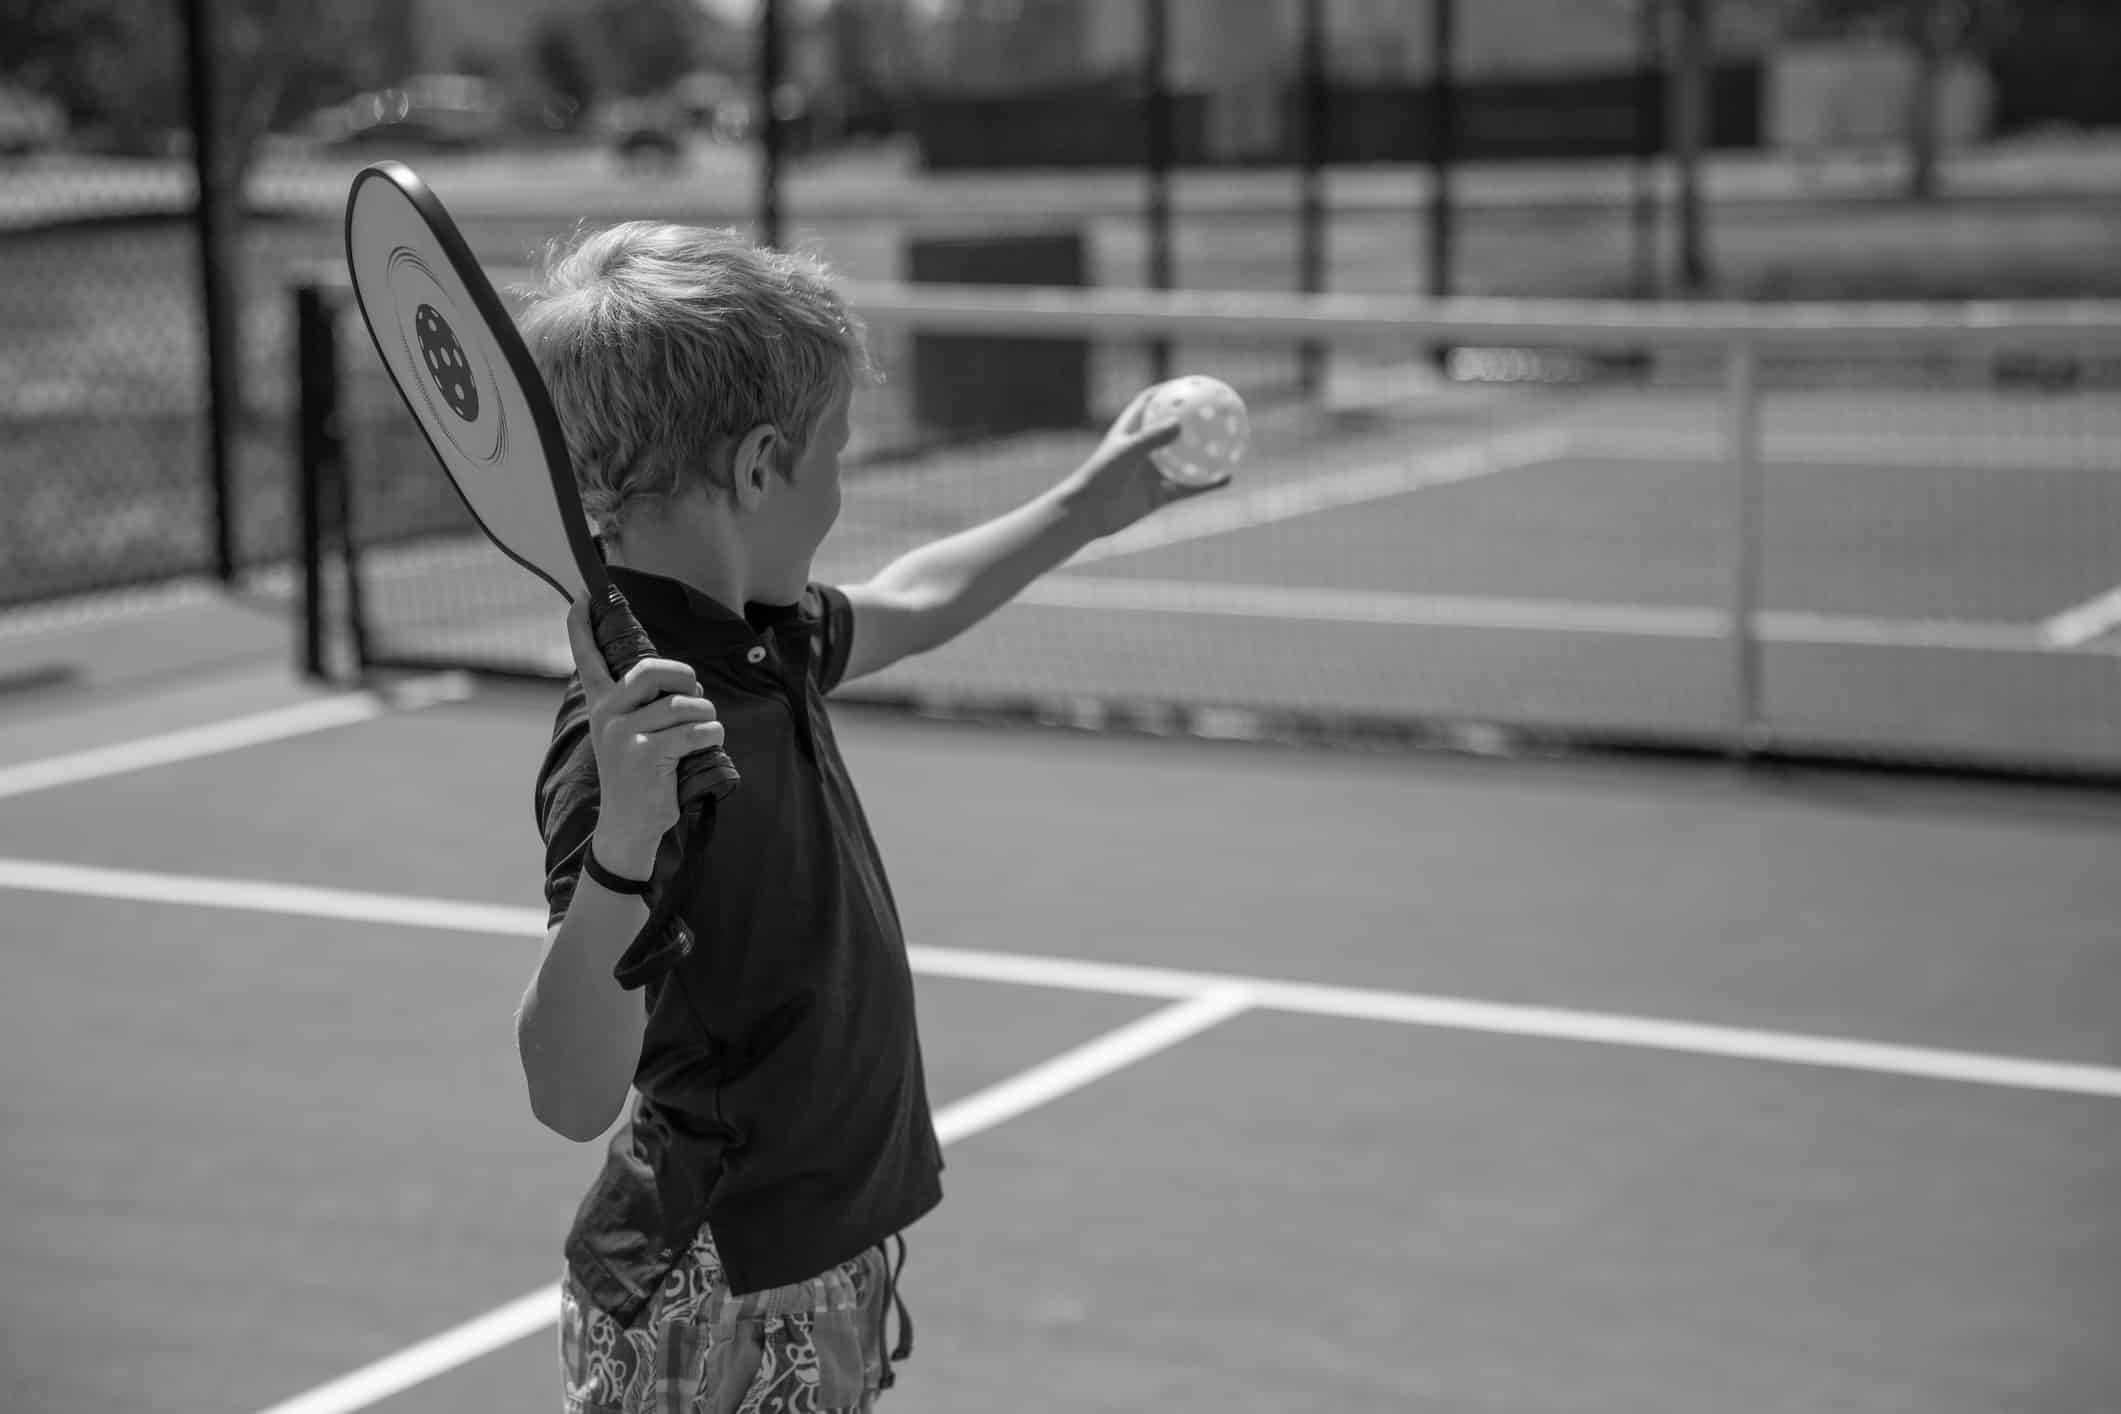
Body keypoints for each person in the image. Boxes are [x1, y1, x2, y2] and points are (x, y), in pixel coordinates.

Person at [510, 221, 1223, 1414]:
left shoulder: (759, 633)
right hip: (718, 1289)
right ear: (759, 465)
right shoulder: (635, 736)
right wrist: (625, 843)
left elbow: (911, 600)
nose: (844, 489)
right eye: (837, 453)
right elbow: (568, 1093)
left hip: (808, 1267)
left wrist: (1090, 504)